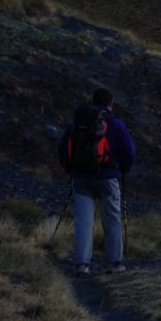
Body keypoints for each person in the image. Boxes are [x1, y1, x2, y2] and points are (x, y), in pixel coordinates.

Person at [58, 88, 136, 275]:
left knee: (83, 222)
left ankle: (82, 265)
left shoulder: (77, 123)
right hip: (107, 178)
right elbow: (130, 152)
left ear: (93, 102)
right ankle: (115, 263)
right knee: (112, 220)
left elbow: (62, 148)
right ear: (111, 103)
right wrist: (122, 168)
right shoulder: (116, 124)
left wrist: (71, 170)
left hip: (81, 178)